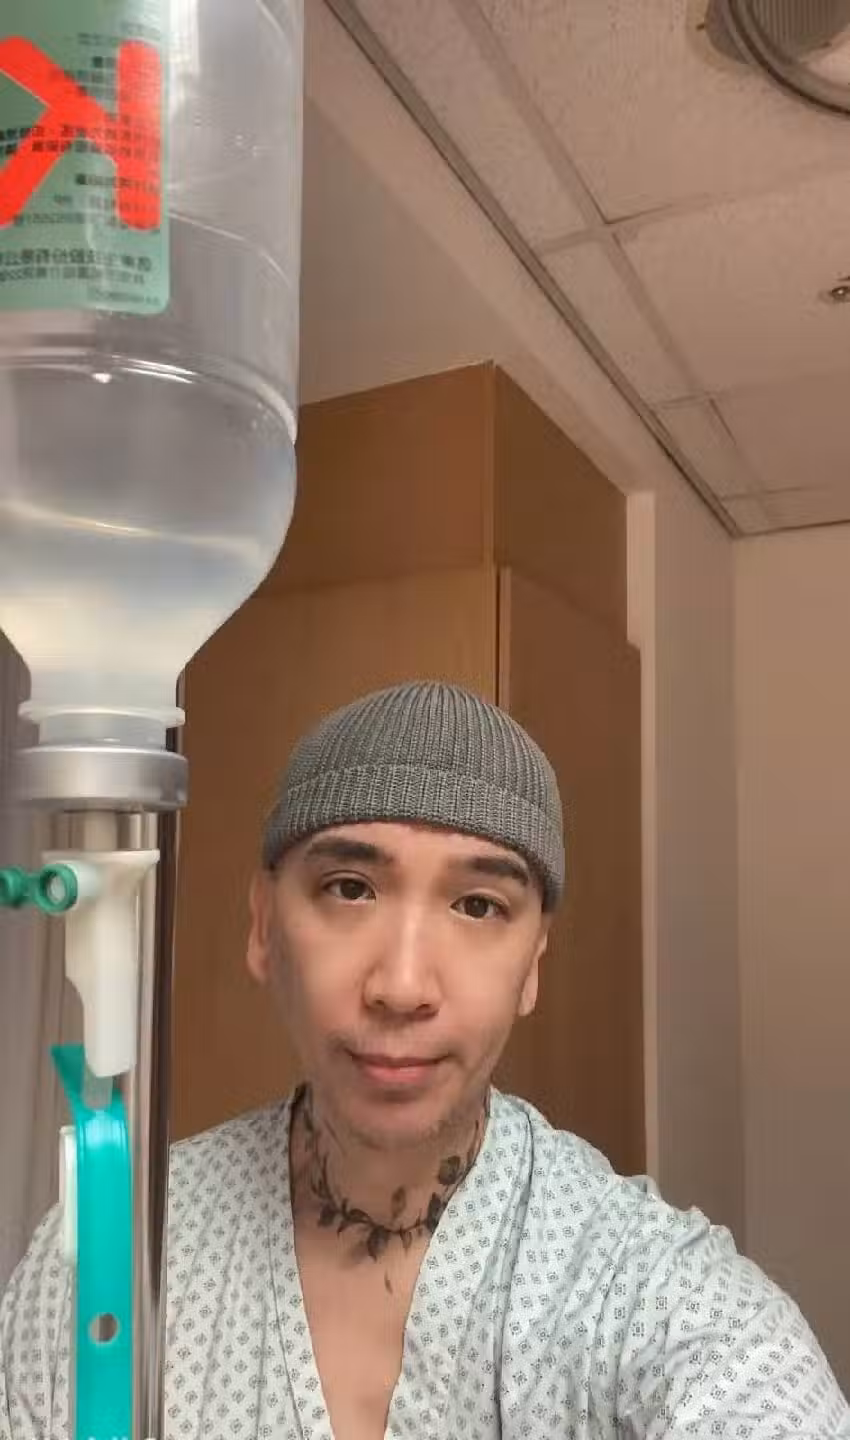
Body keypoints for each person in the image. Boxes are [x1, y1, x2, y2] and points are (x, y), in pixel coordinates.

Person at [1, 680, 848, 1439]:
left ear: (533, 964)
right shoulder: (109, 1251)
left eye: (478, 905)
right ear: (263, 926)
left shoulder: (646, 1292)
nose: (402, 986)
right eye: (350, 889)